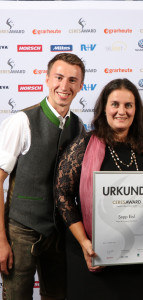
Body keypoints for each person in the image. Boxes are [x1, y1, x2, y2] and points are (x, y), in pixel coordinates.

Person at [55, 78, 143, 300]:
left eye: (128, 105)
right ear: (104, 108)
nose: (121, 111)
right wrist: (84, 242)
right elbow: (62, 194)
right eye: (115, 104)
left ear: (136, 110)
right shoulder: (83, 144)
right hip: (92, 254)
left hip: (137, 258)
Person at [0, 53, 85, 299]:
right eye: (59, 77)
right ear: (47, 79)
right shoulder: (22, 121)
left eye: (72, 80)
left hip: (58, 234)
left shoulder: (78, 127)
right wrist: (1, 241)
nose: (64, 86)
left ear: (81, 86)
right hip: (20, 232)